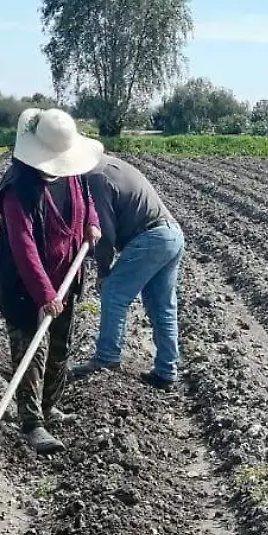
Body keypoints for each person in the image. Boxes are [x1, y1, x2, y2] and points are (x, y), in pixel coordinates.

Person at [0, 108, 102, 454]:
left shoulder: (70, 170)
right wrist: (44, 293)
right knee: (32, 351)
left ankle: (49, 406)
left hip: (65, 274)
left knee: (60, 346)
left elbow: (86, 201)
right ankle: (32, 423)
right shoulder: (18, 189)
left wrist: (90, 223)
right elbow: (23, 246)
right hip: (25, 283)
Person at [77, 156, 186, 389]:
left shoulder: (96, 178)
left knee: (114, 293)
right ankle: (166, 371)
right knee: (162, 306)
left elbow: (105, 233)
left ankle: (107, 358)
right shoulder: (110, 165)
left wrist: (103, 272)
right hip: (172, 233)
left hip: (150, 237)